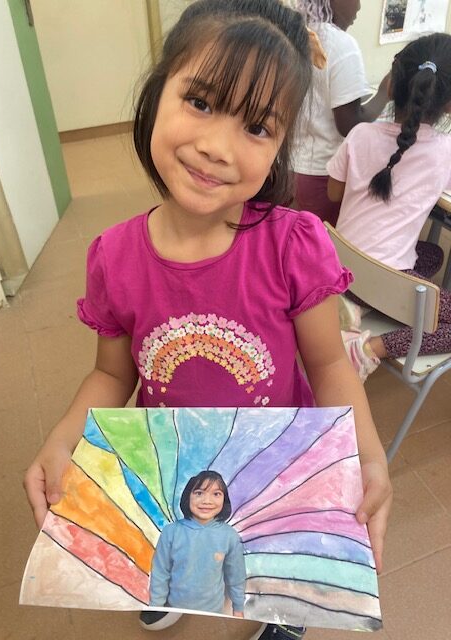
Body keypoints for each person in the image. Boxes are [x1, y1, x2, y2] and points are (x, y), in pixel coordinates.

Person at [23, 1, 392, 639]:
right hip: (173, 459)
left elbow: (330, 363)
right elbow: (111, 375)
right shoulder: (113, 256)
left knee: (268, 557)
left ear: (280, 146)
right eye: (200, 101)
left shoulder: (293, 245)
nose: (218, 147)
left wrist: (370, 457)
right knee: (184, 536)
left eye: (257, 127)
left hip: (275, 458)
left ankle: (281, 611)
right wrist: (62, 438)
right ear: (156, 93)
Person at [327, 33, 451, 381]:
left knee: (433, 255)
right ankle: (367, 349)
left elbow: (334, 194)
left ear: (392, 85)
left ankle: (354, 305)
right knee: (428, 286)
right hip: (383, 280)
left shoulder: (360, 134)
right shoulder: (444, 151)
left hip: (340, 268)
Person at [293, 0, 390, 226]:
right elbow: (349, 125)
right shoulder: (340, 44)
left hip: (289, 166)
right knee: (318, 243)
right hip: (321, 174)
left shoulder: (299, 32)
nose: (359, 7)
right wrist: (384, 93)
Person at [149, 470, 246, 616]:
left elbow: (236, 577)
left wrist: (238, 608)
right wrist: (156, 608)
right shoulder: (171, 532)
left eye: (216, 494)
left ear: (224, 499)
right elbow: (160, 574)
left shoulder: (230, 536)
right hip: (173, 611)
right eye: (199, 493)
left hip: (212, 614)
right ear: (188, 496)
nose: (207, 501)